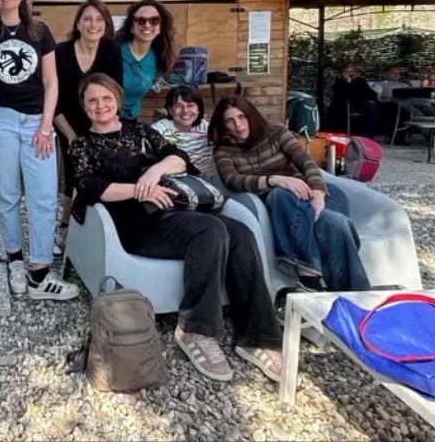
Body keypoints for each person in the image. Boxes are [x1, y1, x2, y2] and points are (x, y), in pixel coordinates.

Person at [68, 73, 283, 383]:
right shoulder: (82, 145)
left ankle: (258, 334)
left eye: (106, 98)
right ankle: (195, 329)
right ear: (83, 106)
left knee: (240, 232)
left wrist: (153, 172)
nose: (100, 105)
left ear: (117, 100)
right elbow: (91, 188)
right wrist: (139, 190)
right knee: (210, 229)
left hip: (172, 211)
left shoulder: (141, 131)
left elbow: (179, 159)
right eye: (92, 100)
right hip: (133, 225)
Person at [0, 0, 79, 301]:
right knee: (7, 193)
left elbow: (51, 82)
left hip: (37, 120)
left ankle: (39, 272)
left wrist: (46, 126)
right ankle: (14, 259)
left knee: (43, 195)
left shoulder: (39, 31)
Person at [209, 94, 371, 293]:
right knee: (331, 221)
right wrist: (275, 179)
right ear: (223, 125)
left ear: (251, 115)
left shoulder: (276, 132)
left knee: (333, 219)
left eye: (242, 117)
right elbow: (232, 180)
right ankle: (335, 287)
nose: (238, 125)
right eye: (230, 120)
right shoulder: (224, 150)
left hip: (313, 191)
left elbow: (306, 163)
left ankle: (321, 289)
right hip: (283, 202)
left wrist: (318, 192)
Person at [53, 0, 122, 236]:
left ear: (106, 24)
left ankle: (101, 227)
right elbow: (53, 98)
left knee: (104, 171)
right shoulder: (61, 52)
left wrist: (106, 128)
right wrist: (72, 137)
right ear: (78, 23)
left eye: (99, 19)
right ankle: (66, 226)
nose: (93, 24)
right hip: (66, 122)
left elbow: (115, 92)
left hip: (101, 121)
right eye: (88, 19)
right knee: (73, 172)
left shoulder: (112, 50)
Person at [116, 0, 175, 121]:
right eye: (141, 20)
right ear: (132, 27)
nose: (147, 25)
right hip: (104, 117)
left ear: (160, 28)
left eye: (154, 20)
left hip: (131, 118)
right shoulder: (113, 52)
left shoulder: (160, 59)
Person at [151, 85, 215, 177]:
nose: (185, 111)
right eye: (178, 106)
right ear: (170, 110)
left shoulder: (207, 129)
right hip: (167, 180)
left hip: (198, 179)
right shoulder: (158, 130)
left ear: (199, 109)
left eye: (190, 105)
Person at [327, 61, 378, 137]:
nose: (350, 73)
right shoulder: (339, 83)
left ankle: (368, 136)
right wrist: (348, 83)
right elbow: (344, 97)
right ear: (343, 73)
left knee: (372, 106)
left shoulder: (360, 81)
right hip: (346, 106)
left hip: (361, 104)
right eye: (348, 71)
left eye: (352, 71)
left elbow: (372, 95)